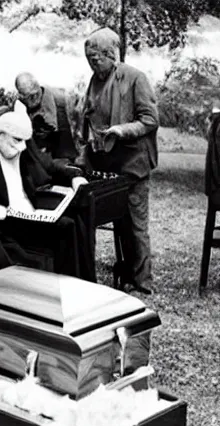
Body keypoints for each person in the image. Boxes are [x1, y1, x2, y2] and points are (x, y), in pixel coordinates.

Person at [0, 107, 92, 286]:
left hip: (20, 217)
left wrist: (74, 176)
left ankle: (74, 288)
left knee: (69, 227)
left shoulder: (17, 140)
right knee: (11, 265)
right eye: (17, 141)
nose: (23, 148)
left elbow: (48, 165)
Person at [81, 28, 158, 295]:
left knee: (137, 225)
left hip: (134, 163)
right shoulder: (94, 81)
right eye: (89, 58)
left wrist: (122, 130)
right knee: (121, 222)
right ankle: (126, 272)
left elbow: (150, 120)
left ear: (110, 54)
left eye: (96, 58)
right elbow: (90, 116)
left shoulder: (135, 78)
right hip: (110, 165)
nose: (92, 63)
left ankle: (142, 283)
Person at [14, 72, 78, 166]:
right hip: (40, 163)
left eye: (35, 94)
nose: (33, 99)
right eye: (27, 97)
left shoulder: (62, 99)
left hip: (67, 157)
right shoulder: (20, 108)